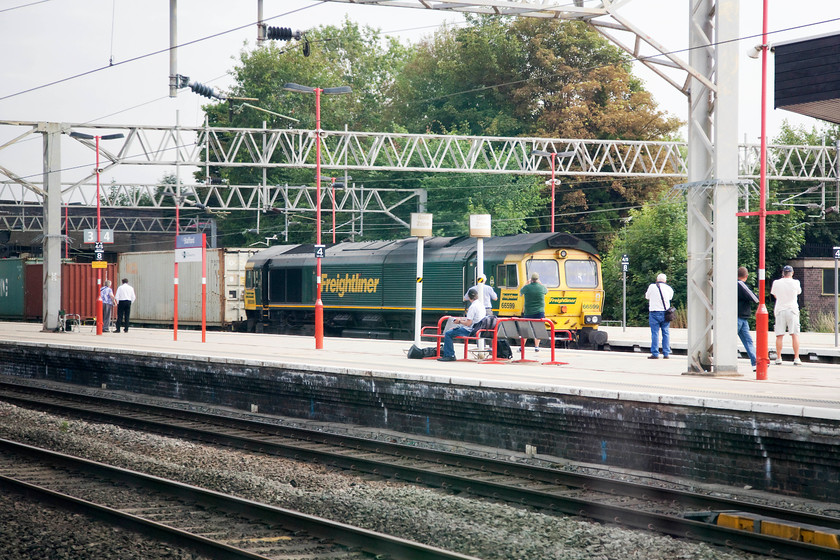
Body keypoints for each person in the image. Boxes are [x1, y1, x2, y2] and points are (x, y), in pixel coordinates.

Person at [438, 288, 485, 361]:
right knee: (453, 331)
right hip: (479, 329)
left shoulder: (472, 307)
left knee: (448, 333)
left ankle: (450, 355)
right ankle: (450, 354)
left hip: (471, 331)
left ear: (469, 297)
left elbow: (468, 324)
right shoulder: (481, 305)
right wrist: (462, 320)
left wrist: (459, 321)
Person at [770, 265, 802, 365]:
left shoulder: (776, 282)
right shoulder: (796, 282)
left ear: (783, 273)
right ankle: (796, 358)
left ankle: (779, 358)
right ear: (792, 273)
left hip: (780, 310)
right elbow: (798, 293)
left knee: (779, 335)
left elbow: (775, 295)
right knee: (794, 334)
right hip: (792, 310)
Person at [644, 273, 673, 359]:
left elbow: (647, 297)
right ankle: (666, 353)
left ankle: (655, 353)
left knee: (655, 333)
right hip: (666, 313)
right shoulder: (669, 288)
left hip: (654, 313)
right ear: (665, 280)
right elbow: (670, 298)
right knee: (666, 332)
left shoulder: (652, 287)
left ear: (657, 280)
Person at [519, 271, 547, 352]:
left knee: (526, 330)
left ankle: (522, 347)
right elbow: (546, 291)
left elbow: (520, 292)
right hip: (540, 312)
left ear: (531, 280)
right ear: (537, 279)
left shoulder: (527, 287)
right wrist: (540, 283)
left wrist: (526, 283)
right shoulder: (541, 287)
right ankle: (537, 347)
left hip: (528, 312)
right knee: (538, 329)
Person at [737, 267, 758, 370]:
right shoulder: (740, 284)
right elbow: (754, 298)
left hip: (742, 318)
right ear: (746, 276)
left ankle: (755, 363)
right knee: (747, 341)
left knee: (748, 341)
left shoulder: (734, 284)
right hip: (739, 317)